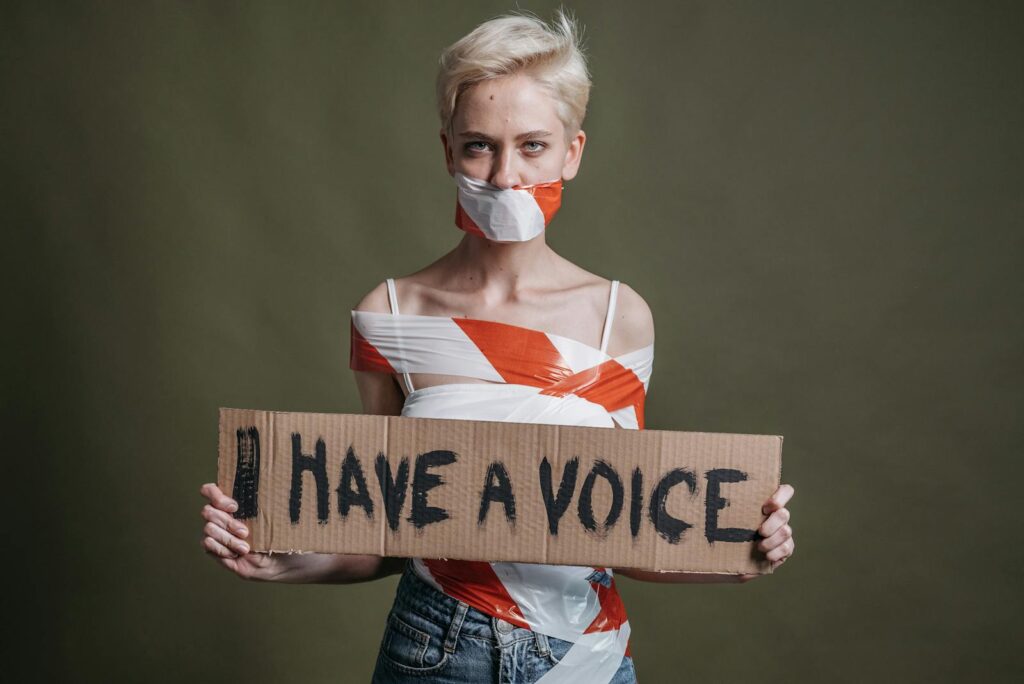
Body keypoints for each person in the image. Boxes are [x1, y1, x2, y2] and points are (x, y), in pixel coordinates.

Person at [199, 10, 795, 683]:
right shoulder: (390, 314)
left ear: (572, 151)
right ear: (449, 150)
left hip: (584, 654)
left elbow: (630, 529)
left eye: (533, 146)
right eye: (481, 145)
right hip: (434, 649)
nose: (506, 175)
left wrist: (741, 548)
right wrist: (287, 562)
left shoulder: (617, 318)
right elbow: (389, 529)